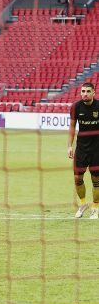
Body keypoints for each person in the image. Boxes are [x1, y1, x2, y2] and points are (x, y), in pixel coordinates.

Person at [68, 82, 99, 218]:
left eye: (87, 91)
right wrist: (70, 146)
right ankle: (82, 204)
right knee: (77, 178)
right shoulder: (76, 107)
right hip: (81, 149)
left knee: (96, 179)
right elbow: (72, 127)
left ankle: (95, 207)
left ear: (93, 93)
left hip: (97, 149)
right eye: (83, 91)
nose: (84, 94)